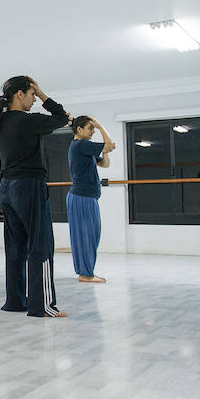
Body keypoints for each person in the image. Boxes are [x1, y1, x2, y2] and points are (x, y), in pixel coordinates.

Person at [0, 76, 69, 318]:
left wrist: (38, 91)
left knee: (15, 246)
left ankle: (15, 301)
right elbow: (63, 118)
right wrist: (45, 94)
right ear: (20, 94)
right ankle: (42, 305)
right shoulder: (27, 121)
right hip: (29, 186)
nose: (34, 99)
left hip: (7, 188)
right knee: (40, 244)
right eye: (32, 94)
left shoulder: (1, 122)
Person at [66, 116, 116, 283]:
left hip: (85, 197)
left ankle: (85, 272)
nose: (93, 131)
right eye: (90, 128)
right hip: (82, 197)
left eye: (94, 128)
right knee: (86, 236)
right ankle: (85, 274)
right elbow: (110, 145)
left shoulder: (84, 148)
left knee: (90, 235)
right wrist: (101, 126)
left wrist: (104, 151)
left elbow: (105, 164)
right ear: (79, 129)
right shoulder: (81, 144)